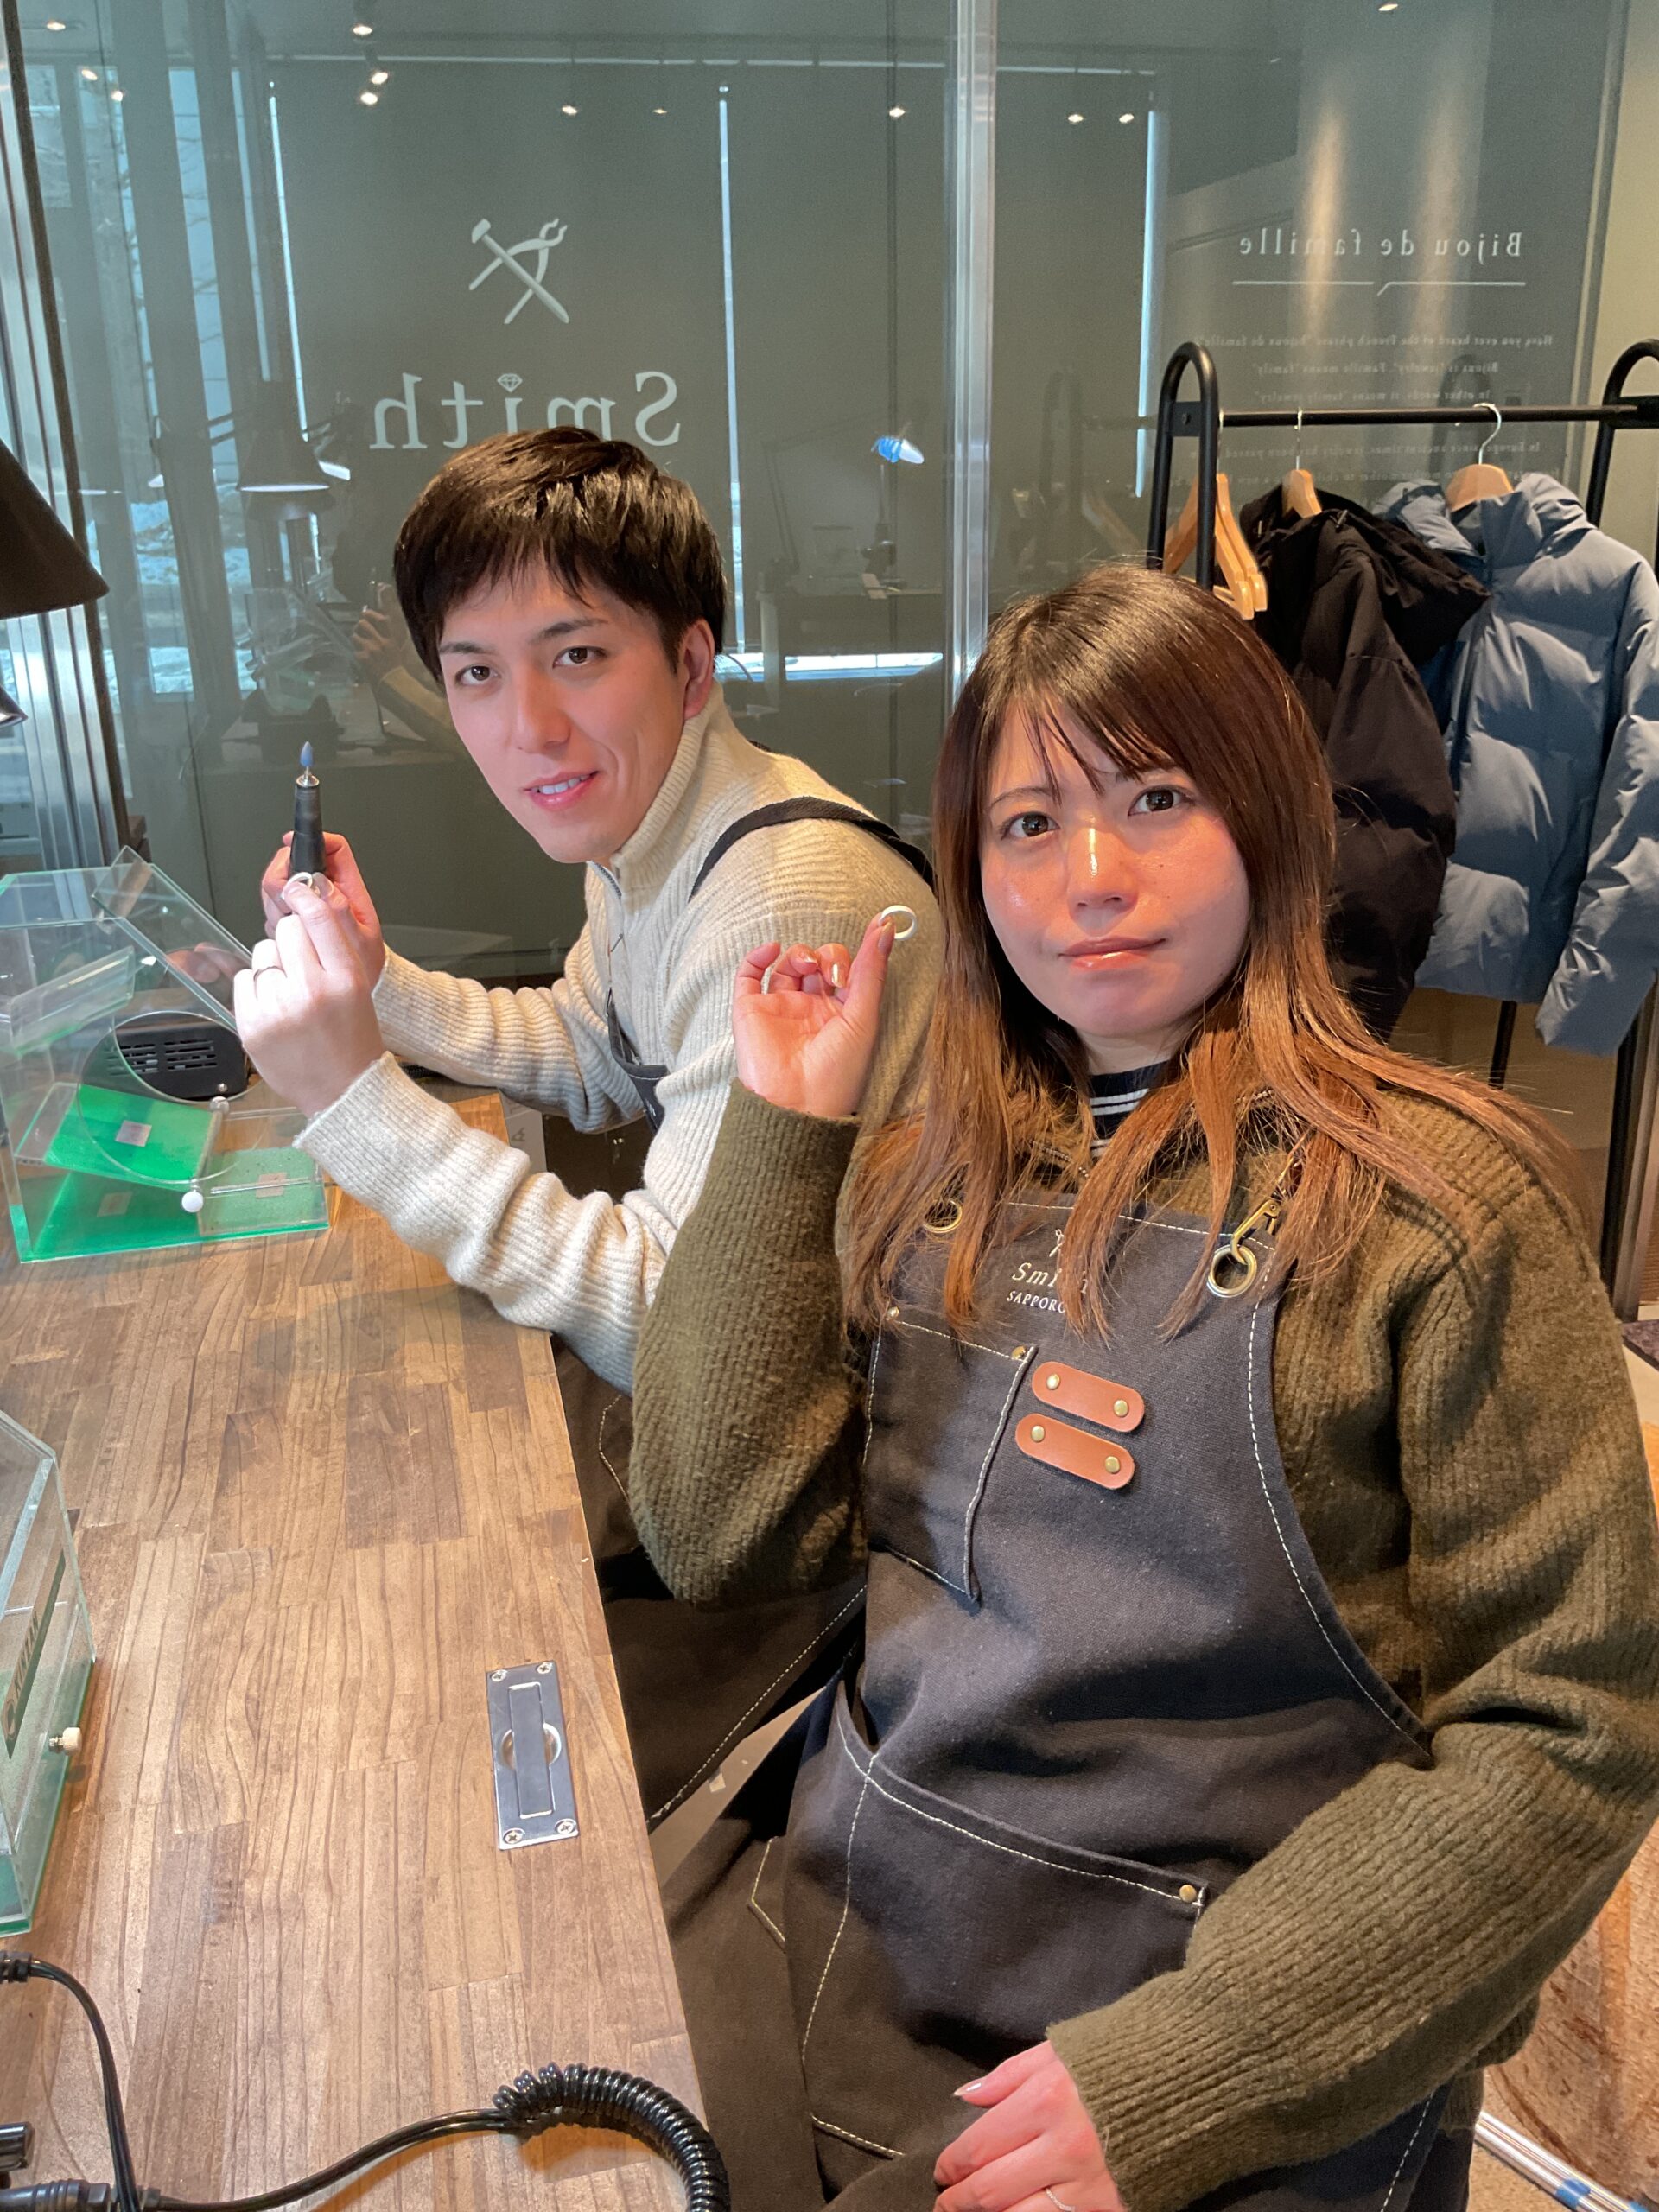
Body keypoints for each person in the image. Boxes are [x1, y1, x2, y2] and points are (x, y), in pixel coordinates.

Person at [626, 563, 1659, 2211]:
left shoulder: (1436, 1209)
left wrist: (1199, 2068)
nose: (1091, 877)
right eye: (1029, 824)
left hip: (1221, 2017)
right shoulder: (931, 1171)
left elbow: (1571, 1727)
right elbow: (718, 1535)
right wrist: (783, 1124)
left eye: (1157, 799)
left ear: (1267, 819)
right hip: (857, 1909)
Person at [233, 429, 942, 1818]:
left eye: (575, 655)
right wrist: (381, 985)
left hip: (836, 1499)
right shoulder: (659, 829)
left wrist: (357, 1105)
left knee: (410, 1663)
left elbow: (671, 1321)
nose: (529, 729)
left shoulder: (777, 893)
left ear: (690, 662)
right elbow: (600, 1048)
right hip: (748, 1417)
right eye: (476, 674)